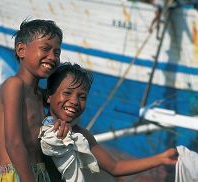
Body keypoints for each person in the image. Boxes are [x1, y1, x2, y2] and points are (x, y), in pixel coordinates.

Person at [39, 62, 178, 181]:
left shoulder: (81, 136)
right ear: (49, 96)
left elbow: (115, 167)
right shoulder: (38, 125)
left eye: (82, 97)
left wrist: (160, 159)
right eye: (67, 93)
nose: (75, 101)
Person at [0, 19, 69, 182]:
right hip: (17, 175)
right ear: (21, 50)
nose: (52, 57)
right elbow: (13, 143)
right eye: (45, 49)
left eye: (57, 53)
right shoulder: (14, 85)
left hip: (40, 174)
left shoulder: (41, 96)